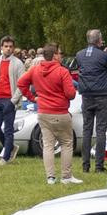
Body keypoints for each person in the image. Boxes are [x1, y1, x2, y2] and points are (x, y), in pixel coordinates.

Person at [18, 42, 79, 184]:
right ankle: (66, 176)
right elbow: (71, 94)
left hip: (43, 112)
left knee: (48, 145)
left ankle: (50, 177)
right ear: (55, 55)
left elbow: (21, 83)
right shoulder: (62, 71)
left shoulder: (35, 69)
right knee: (66, 143)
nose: (61, 56)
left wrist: (33, 98)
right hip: (60, 112)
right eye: (60, 53)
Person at [75, 30, 107, 174]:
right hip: (102, 95)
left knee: (87, 130)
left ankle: (85, 166)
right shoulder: (103, 56)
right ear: (99, 40)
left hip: (86, 95)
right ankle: (99, 166)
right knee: (101, 130)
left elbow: (90, 63)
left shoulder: (79, 55)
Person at [0, 36, 26, 164]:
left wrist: (13, 101)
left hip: (10, 99)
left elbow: (22, 85)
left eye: (10, 46)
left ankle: (6, 157)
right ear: (1, 48)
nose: (8, 49)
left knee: (8, 130)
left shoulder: (18, 63)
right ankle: (10, 147)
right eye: (6, 46)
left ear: (13, 48)